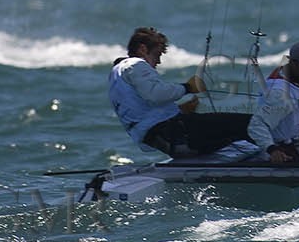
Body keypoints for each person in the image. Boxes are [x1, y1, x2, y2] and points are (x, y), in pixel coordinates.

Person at [108, 26, 257, 157]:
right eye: (157, 54)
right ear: (142, 49)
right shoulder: (135, 64)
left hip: (169, 140)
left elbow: (142, 112)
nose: (158, 62)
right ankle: (277, 153)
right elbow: (155, 94)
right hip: (177, 136)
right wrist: (188, 87)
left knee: (235, 132)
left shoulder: (118, 74)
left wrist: (182, 109)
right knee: (254, 123)